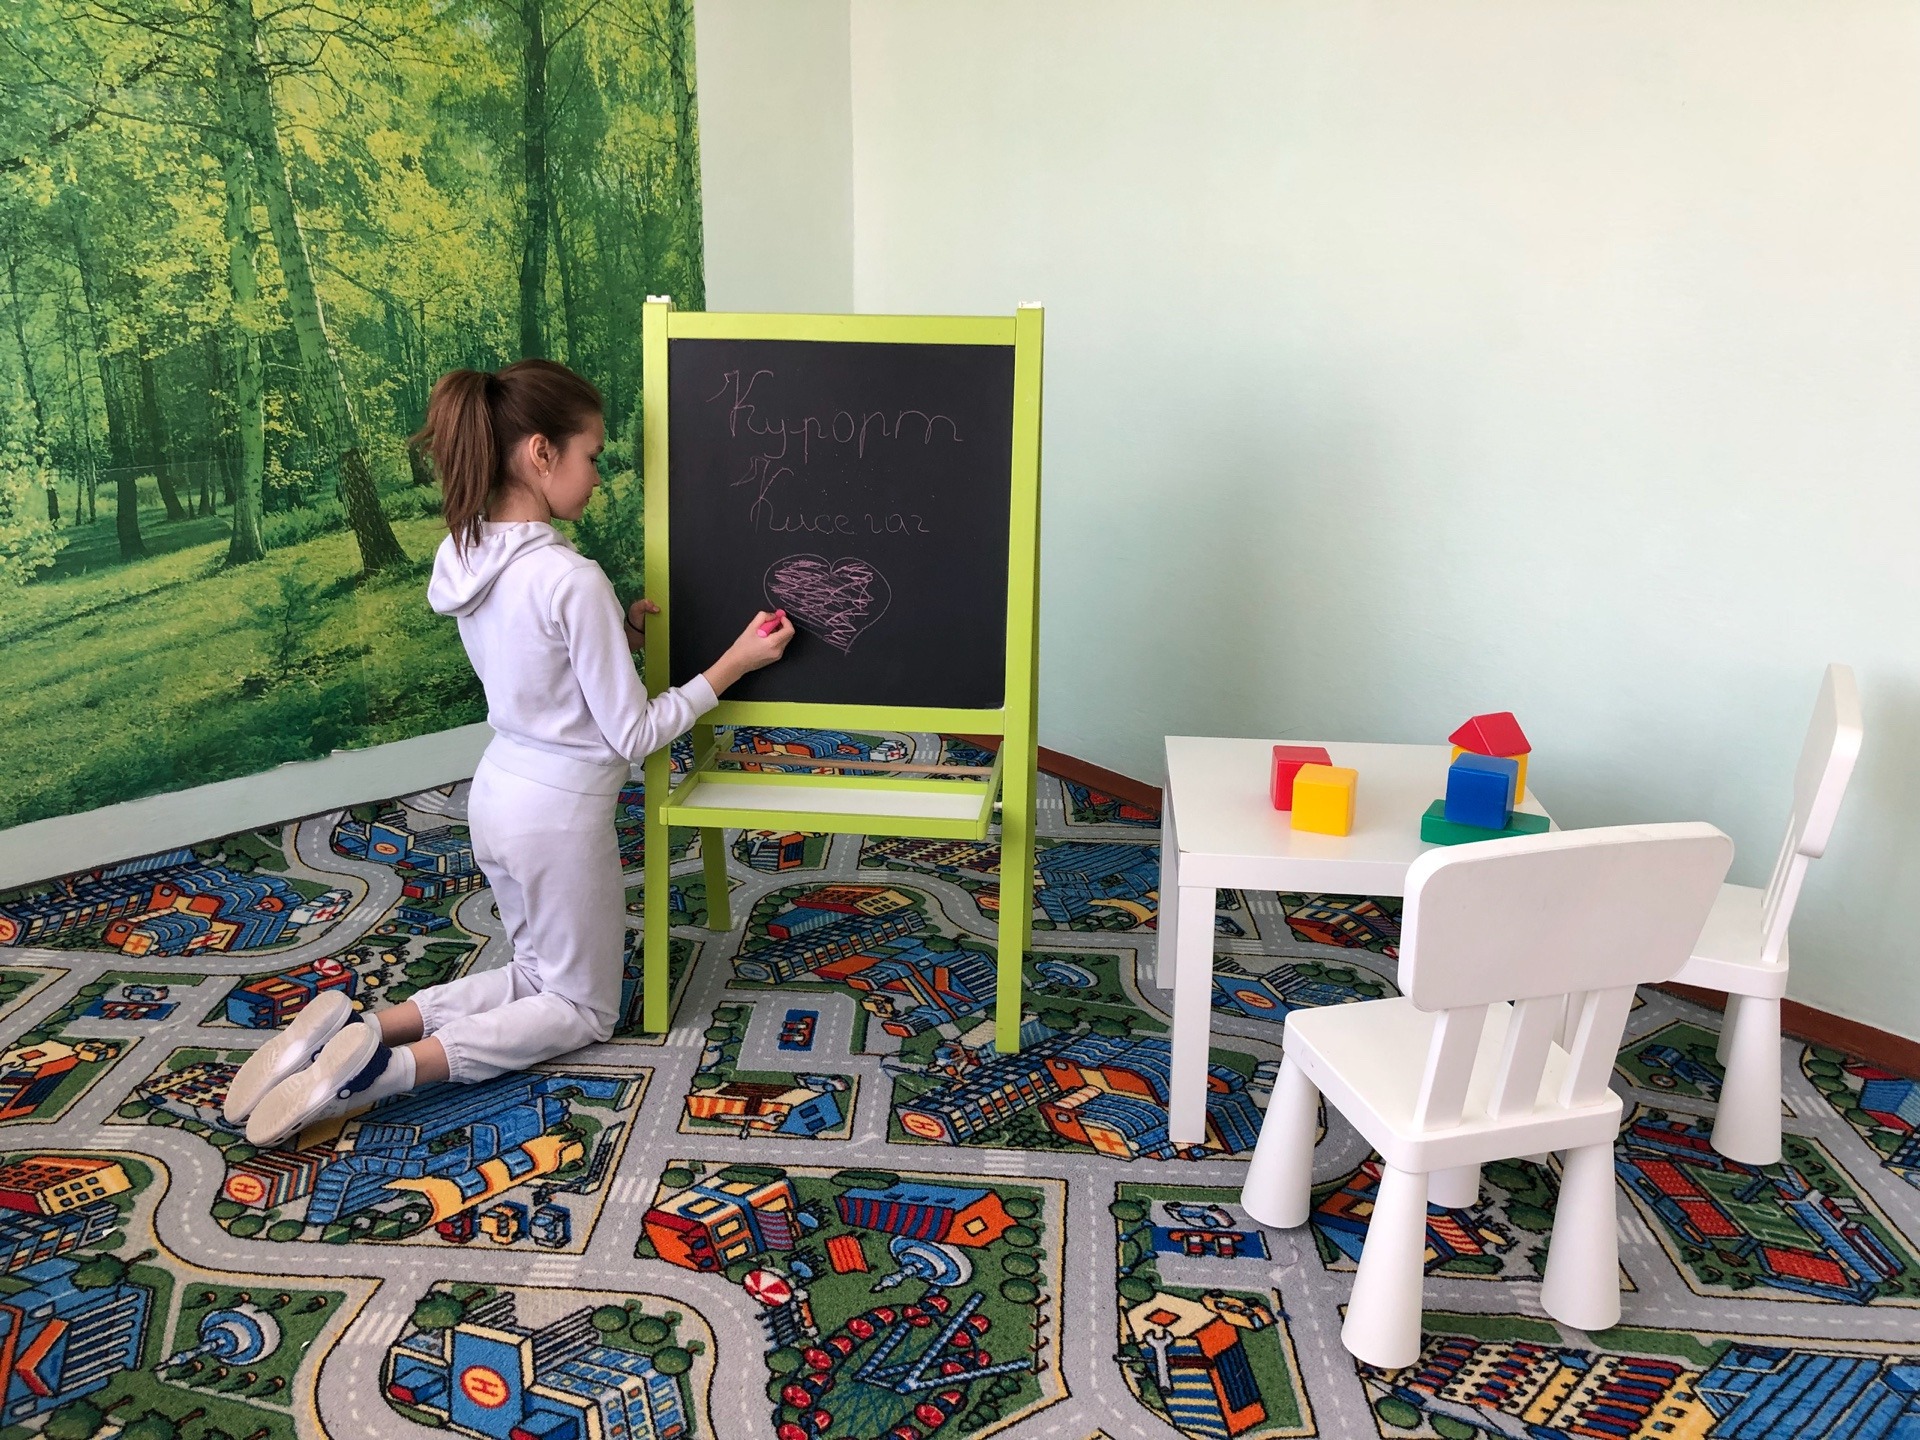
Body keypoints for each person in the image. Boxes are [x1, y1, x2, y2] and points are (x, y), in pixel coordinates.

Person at [224, 359, 793, 1146]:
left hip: (496, 796)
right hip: (559, 818)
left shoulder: (463, 555)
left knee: (534, 974)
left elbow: (540, 666)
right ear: (540, 453)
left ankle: (363, 1027)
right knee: (582, 1008)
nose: (598, 474)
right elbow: (632, 734)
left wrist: (618, 637)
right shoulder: (570, 577)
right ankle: (381, 1071)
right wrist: (733, 665)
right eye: (592, 454)